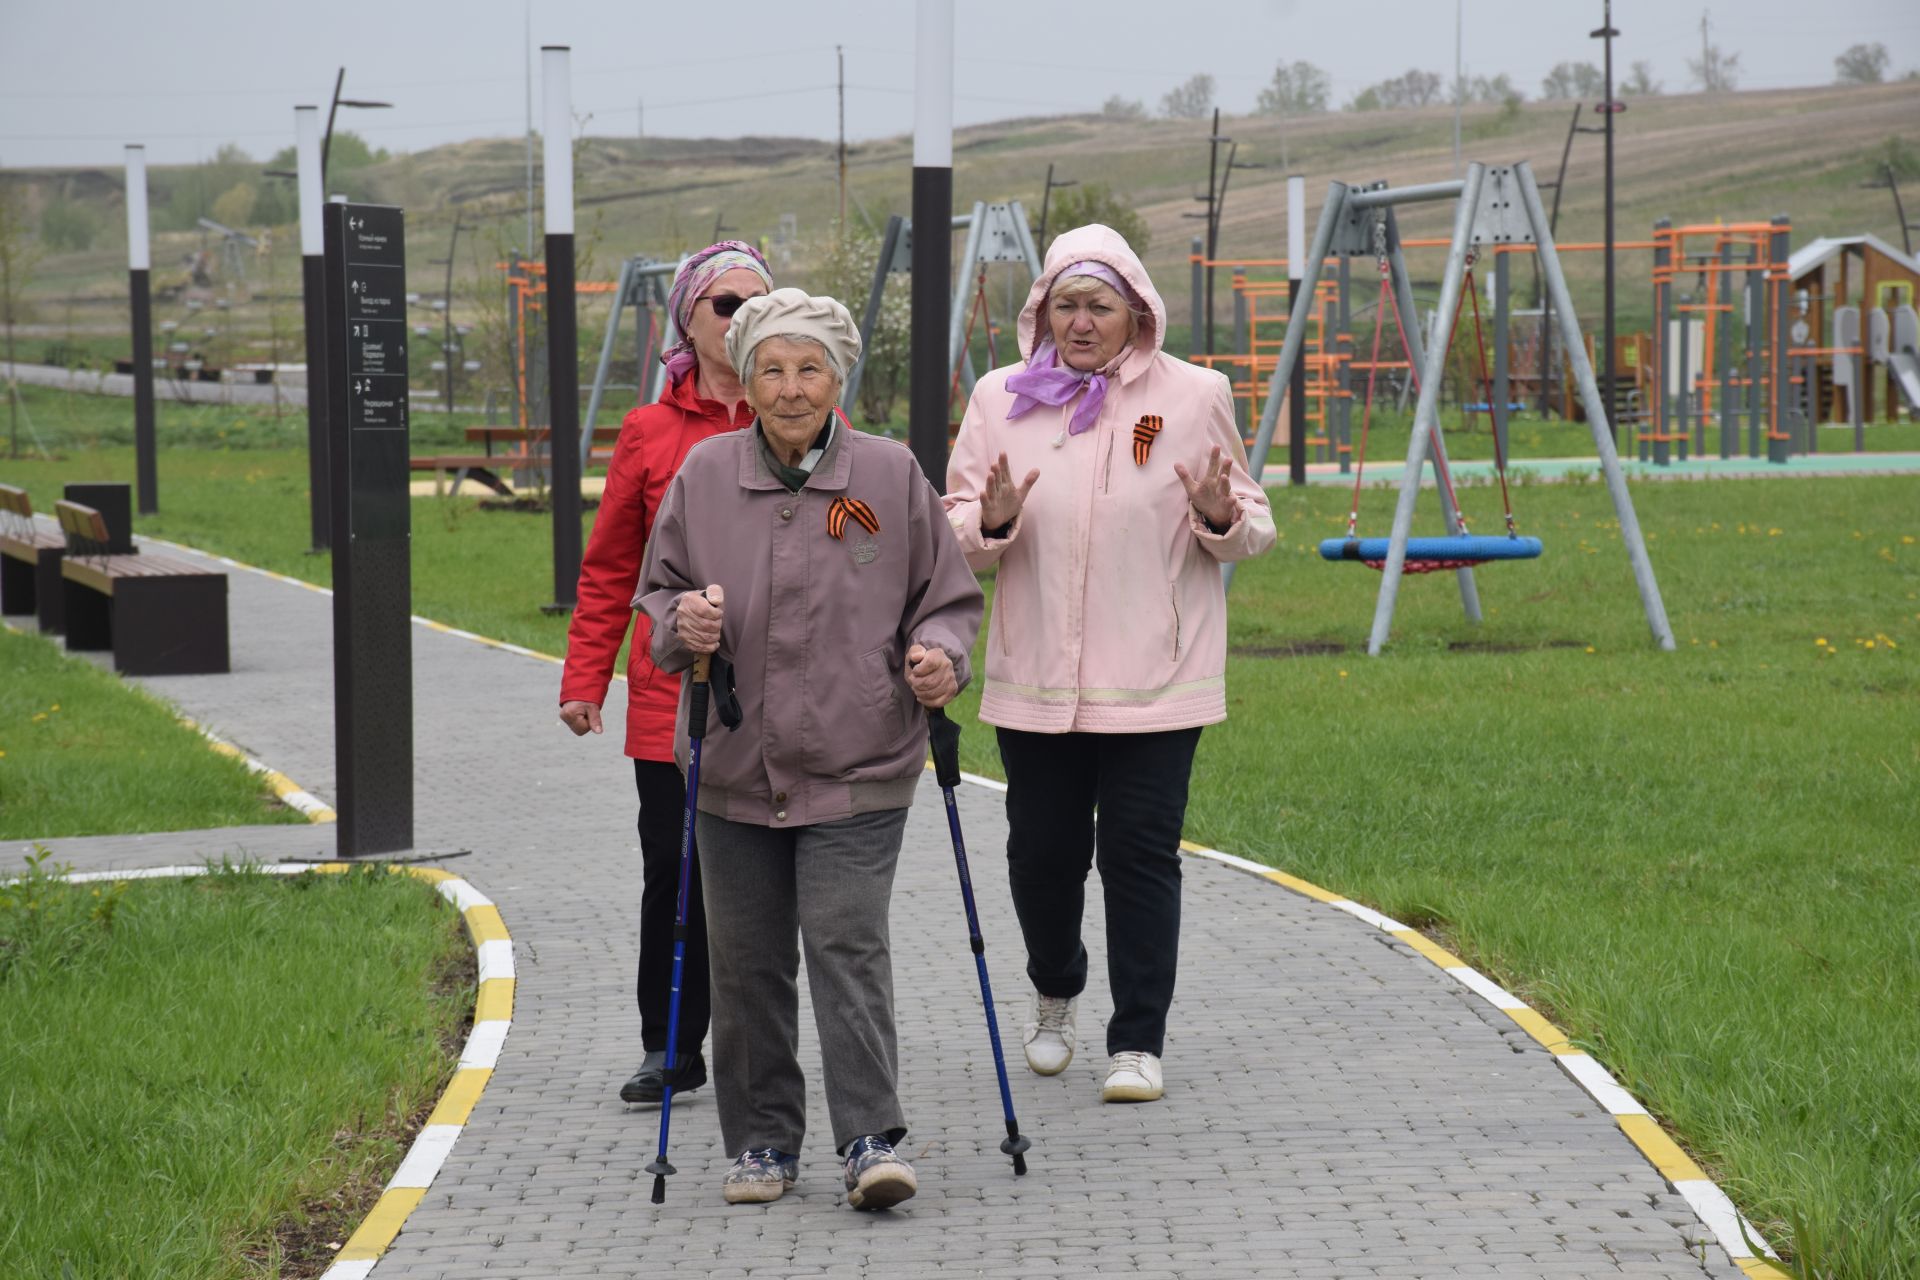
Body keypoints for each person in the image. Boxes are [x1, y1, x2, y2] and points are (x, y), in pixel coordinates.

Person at [637, 288, 983, 1209]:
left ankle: (871, 1136)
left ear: (839, 377)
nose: (792, 389)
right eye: (772, 369)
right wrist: (685, 623)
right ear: (743, 379)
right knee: (746, 960)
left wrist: (936, 659)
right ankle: (760, 1143)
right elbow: (656, 596)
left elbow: (946, 600)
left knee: (845, 943)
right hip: (732, 764)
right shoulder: (705, 476)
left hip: (860, 761)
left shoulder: (889, 473)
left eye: (810, 368)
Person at [943, 223, 1276, 1105]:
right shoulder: (999, 396)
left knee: (1139, 854)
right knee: (1041, 856)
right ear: (1041, 313)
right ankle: (1055, 992)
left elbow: (1255, 523)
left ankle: (1137, 1041)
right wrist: (996, 522)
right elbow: (950, 530)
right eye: (1066, 307)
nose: (1082, 324)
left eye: (1100, 307)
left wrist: (1216, 517)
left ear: (1138, 314)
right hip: (1037, 675)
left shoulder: (1196, 394)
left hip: (1159, 679)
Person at [556, 241, 773, 1106]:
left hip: (776, 691)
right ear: (689, 316)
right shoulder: (648, 432)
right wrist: (584, 678)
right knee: (674, 872)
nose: (744, 318)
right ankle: (671, 1046)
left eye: (762, 302)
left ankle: (764, 1049)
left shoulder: (793, 409)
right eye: (728, 305)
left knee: (764, 878)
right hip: (671, 697)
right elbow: (612, 567)